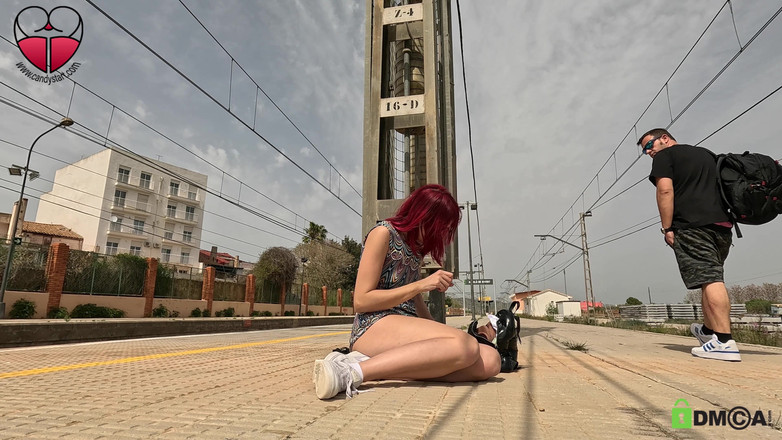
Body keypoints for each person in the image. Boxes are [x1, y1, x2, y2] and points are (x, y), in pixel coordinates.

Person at [313, 184, 501, 399]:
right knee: (465, 346)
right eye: (441, 227)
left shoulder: (415, 249)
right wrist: (422, 284)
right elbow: (361, 301)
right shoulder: (383, 233)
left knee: (490, 360)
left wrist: (441, 333)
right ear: (423, 216)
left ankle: (381, 366)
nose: (442, 234)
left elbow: (415, 299)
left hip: (404, 324)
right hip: (373, 324)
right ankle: (350, 372)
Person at [639, 128, 740, 362]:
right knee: (709, 279)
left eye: (649, 145)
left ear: (664, 138)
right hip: (723, 227)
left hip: (693, 226)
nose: (649, 152)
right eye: (645, 150)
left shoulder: (666, 157)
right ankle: (708, 332)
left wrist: (667, 228)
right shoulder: (706, 154)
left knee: (712, 279)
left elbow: (665, 190)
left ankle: (725, 342)